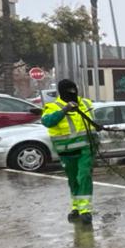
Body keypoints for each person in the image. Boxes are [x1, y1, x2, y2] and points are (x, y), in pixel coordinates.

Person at [41, 79, 96, 224]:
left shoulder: (86, 103)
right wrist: (64, 110)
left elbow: (93, 124)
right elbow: (47, 122)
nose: (72, 92)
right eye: (68, 90)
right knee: (73, 180)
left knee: (83, 176)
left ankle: (86, 210)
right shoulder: (52, 106)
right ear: (61, 92)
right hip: (66, 151)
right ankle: (76, 207)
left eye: (74, 89)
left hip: (85, 149)